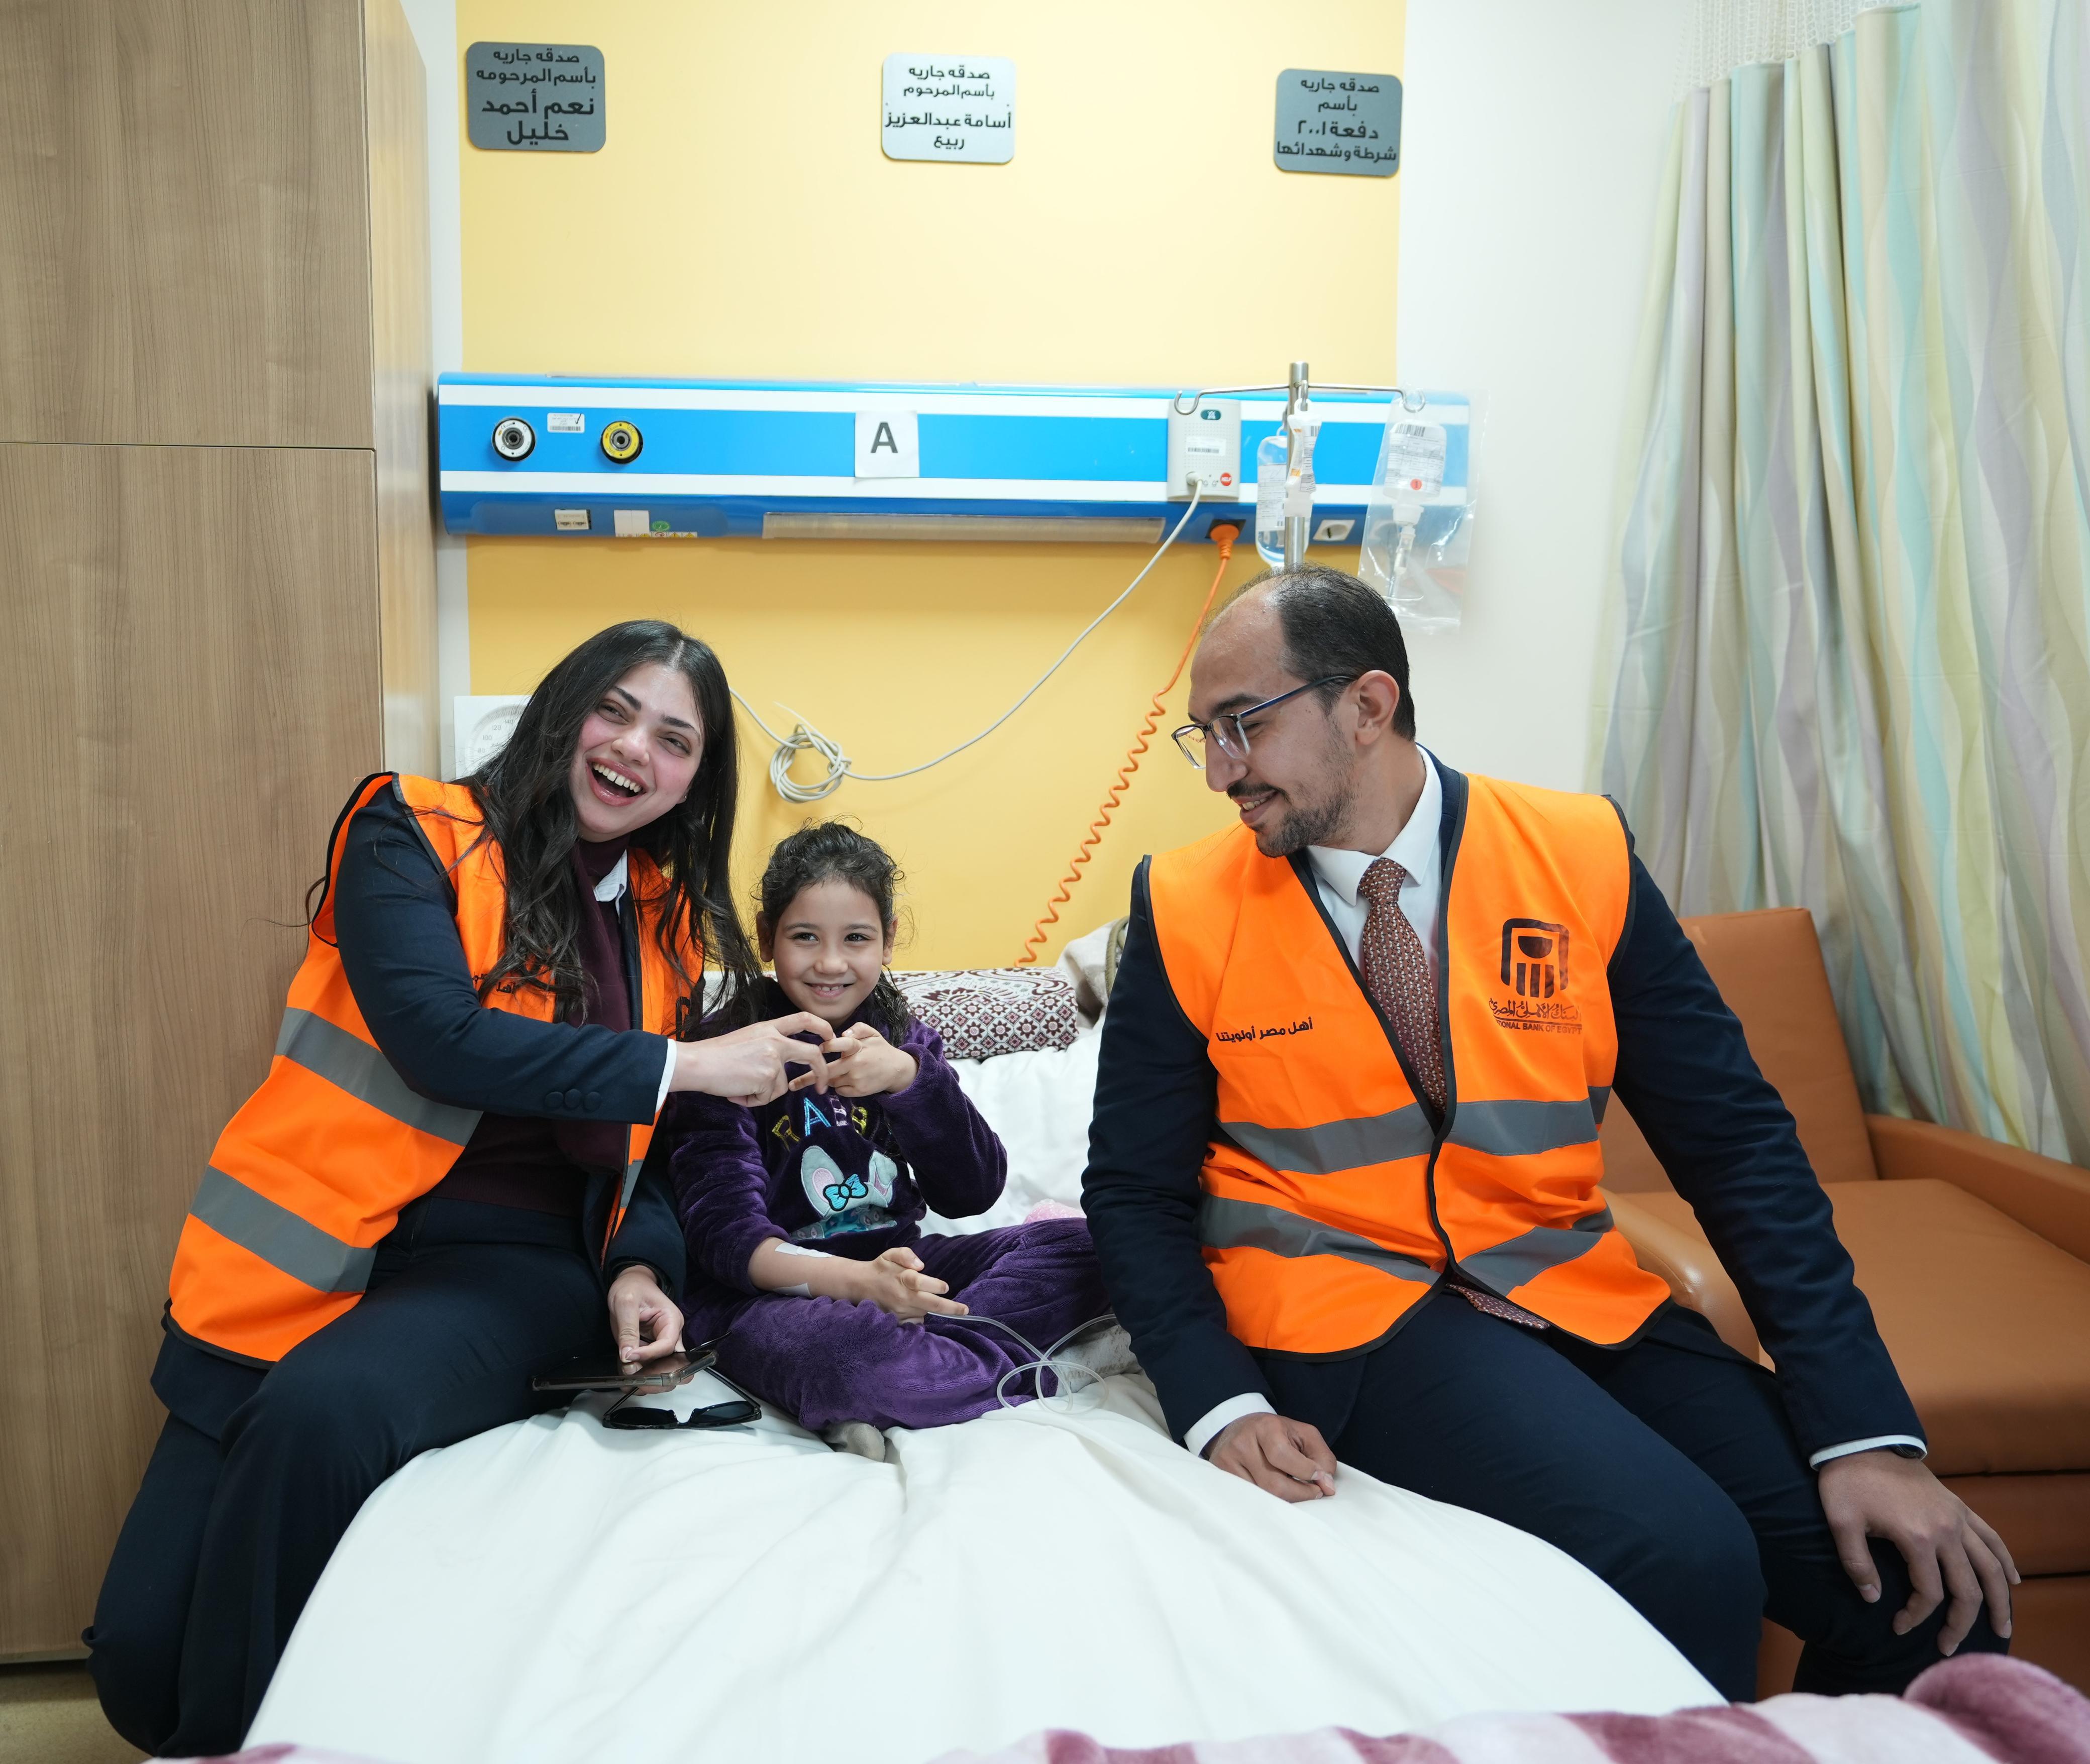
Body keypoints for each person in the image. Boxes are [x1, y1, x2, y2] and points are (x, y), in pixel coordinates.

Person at [1081, 567, 2018, 1703]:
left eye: (1245, 725)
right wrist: (1219, 1402)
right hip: (1350, 1314)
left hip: (1566, 1286)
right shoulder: (1184, 904)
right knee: (1685, 1554)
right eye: (1204, 736)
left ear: (1367, 706)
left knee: (1931, 1595)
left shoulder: (1581, 855)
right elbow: (1131, 1190)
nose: (1221, 769)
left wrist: (1865, 1431)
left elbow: (1736, 1144)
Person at [87, 621, 842, 1756]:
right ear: (563, 709)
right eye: (615, 710)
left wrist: (642, 1263)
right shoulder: (410, 831)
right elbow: (438, 1038)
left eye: (674, 738)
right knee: (135, 1665)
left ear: (695, 781)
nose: (633, 747)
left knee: (322, 1413)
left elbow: (642, 1153)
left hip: (513, 1264)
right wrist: (683, 1062)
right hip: (306, 1248)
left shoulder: (668, 925)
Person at [669, 822, 1109, 1445]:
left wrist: (910, 1080)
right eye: (804, 936)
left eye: (856, 937)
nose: (830, 962)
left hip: (901, 1268)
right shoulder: (724, 1048)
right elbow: (727, 1243)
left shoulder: (902, 1041)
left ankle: (920, 1375)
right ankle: (970, 1370)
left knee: (1097, 1242)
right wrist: (860, 1286)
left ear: (888, 939)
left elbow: (973, 1191)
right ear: (767, 936)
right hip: (765, 1297)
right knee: (843, 1358)